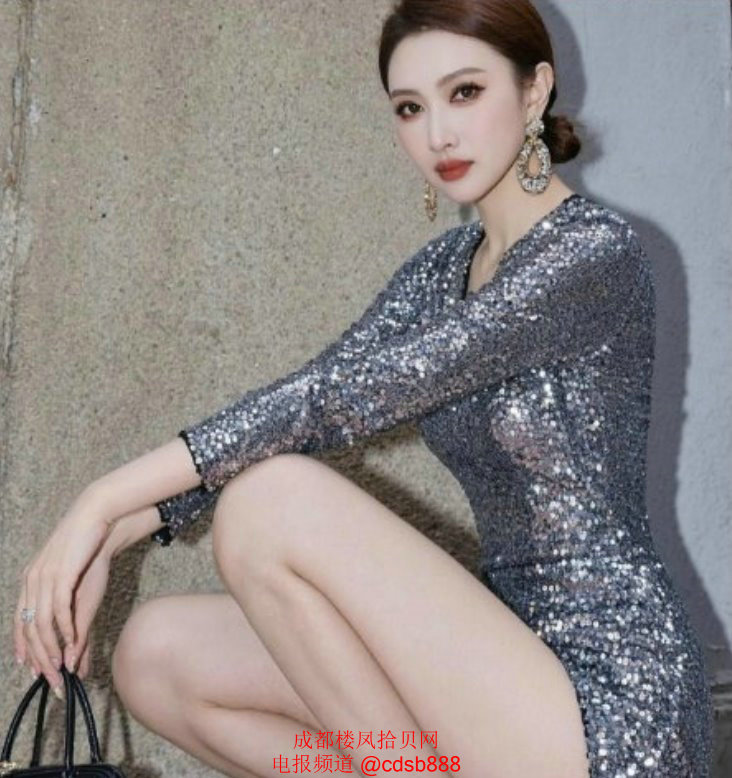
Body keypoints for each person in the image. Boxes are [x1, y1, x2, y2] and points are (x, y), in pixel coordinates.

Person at [13, 1, 714, 776]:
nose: (438, 134)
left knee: (270, 503)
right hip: (496, 661)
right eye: (410, 108)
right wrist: (120, 530)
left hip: (607, 705)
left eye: (465, 92)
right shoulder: (440, 273)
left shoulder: (593, 256)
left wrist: (100, 501)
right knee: (157, 654)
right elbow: (304, 400)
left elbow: (337, 401)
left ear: (534, 89)